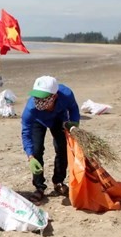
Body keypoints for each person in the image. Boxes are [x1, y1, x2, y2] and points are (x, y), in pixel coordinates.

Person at [21, 75, 80, 203]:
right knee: (36, 151)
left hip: (58, 118)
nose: (38, 101)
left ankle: (58, 181)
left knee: (62, 148)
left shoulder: (66, 94)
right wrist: (30, 156)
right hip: (38, 121)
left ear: (54, 96)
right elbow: (26, 133)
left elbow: (74, 108)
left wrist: (74, 123)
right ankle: (39, 187)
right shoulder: (31, 108)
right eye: (36, 97)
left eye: (43, 98)